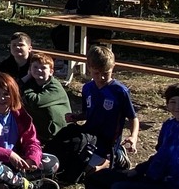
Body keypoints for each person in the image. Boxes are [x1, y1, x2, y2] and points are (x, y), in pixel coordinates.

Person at [84, 45, 179, 189]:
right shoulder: (169, 126)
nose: (178, 106)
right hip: (152, 178)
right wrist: (137, 170)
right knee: (96, 178)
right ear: (167, 106)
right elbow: (160, 155)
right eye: (173, 102)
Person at [50, 45, 139, 181]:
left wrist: (133, 137)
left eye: (106, 73)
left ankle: (116, 157)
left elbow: (133, 118)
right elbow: (87, 113)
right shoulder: (87, 88)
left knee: (89, 173)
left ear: (113, 67)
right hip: (90, 136)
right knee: (67, 165)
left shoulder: (119, 91)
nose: (101, 77)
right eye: (97, 73)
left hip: (109, 140)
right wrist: (76, 117)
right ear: (89, 67)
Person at [20, 52, 73, 144]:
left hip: (57, 132)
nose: (39, 70)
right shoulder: (32, 82)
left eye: (43, 68)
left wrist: (25, 88)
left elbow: (35, 101)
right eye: (35, 67)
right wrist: (27, 77)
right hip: (40, 127)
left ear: (51, 72)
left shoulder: (55, 87)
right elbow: (12, 89)